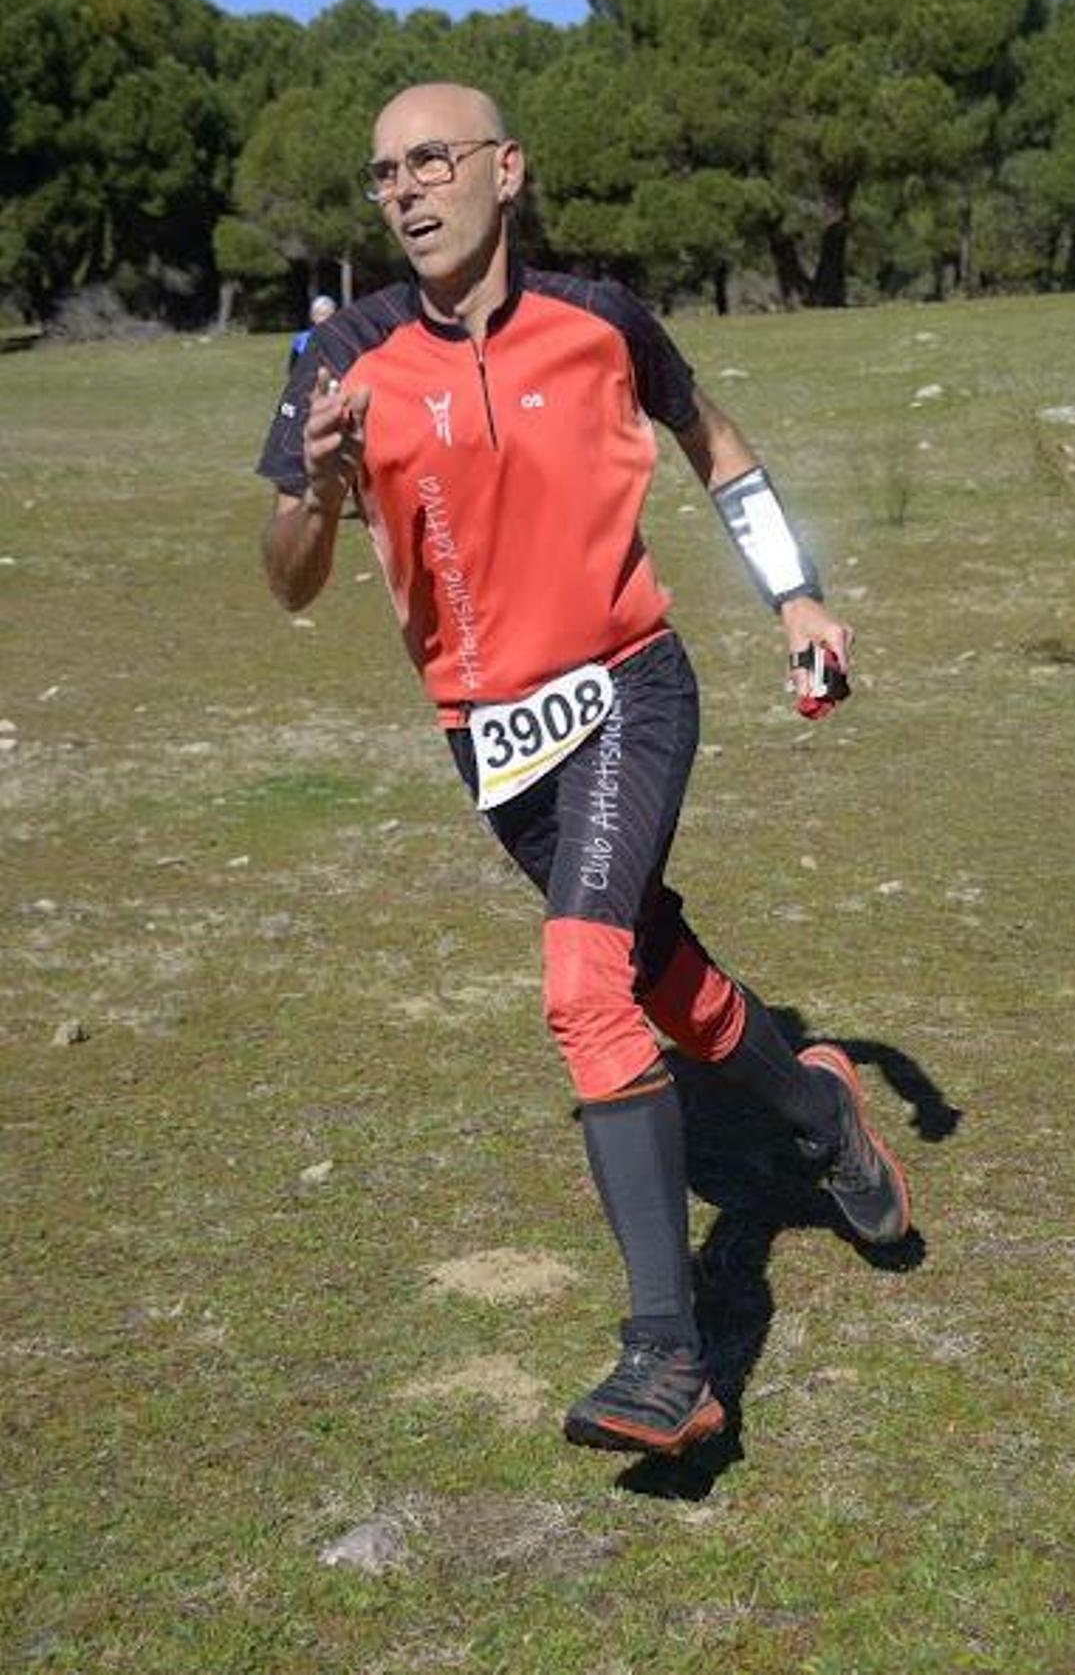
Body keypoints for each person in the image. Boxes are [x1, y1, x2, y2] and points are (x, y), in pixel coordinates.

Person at [255, 82, 911, 1459]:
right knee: (651, 971)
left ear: (507, 171)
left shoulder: (604, 321)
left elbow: (718, 447)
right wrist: (314, 486)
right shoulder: (343, 361)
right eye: (383, 175)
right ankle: (823, 1118)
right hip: (488, 740)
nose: (407, 191)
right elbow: (290, 583)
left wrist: (797, 598)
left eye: (432, 160)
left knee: (577, 982)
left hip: (626, 689)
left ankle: (669, 1354)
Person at [288, 293, 337, 369]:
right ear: (313, 316)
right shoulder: (301, 339)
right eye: (322, 314)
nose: (326, 319)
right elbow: (293, 369)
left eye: (330, 315)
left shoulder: (339, 338)